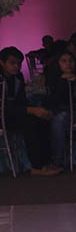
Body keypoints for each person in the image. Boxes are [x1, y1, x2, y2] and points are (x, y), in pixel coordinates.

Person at [0, 47, 60, 176]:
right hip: (3, 116)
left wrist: (38, 111)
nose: (17, 66)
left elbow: (21, 100)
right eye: (12, 63)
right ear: (2, 63)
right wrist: (30, 110)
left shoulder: (18, 77)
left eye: (19, 63)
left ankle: (46, 162)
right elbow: (4, 106)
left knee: (42, 118)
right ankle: (37, 166)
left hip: (15, 113)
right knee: (29, 121)